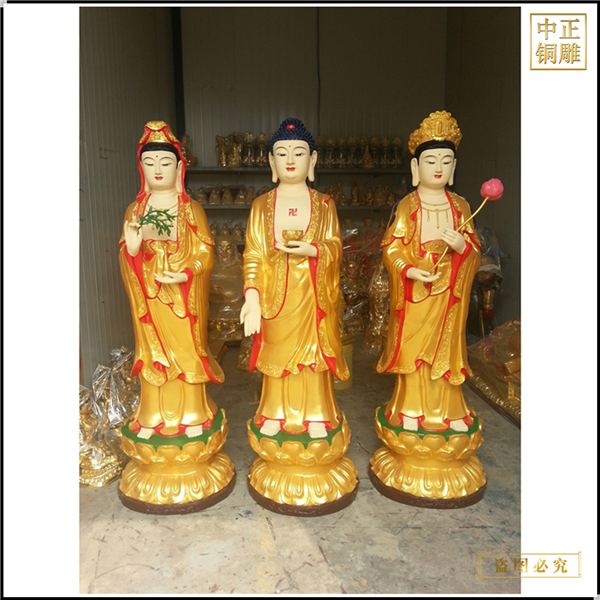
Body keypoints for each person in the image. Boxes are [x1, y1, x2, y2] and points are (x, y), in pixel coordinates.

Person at [240, 117, 349, 439]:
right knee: (277, 356)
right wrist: (252, 298)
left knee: (312, 357)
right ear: (271, 161)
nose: (290, 160)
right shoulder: (261, 206)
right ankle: (275, 411)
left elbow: (336, 247)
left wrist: (314, 250)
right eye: (282, 153)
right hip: (275, 296)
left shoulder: (325, 205)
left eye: (299, 153)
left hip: (313, 298)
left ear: (312, 160)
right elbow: (253, 254)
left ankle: (316, 413)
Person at [376, 111, 481, 432]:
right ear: (415, 167)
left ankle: (449, 411)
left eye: (446, 161)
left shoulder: (461, 207)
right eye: (431, 160)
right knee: (413, 352)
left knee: (445, 354)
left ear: (454, 168)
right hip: (416, 295)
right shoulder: (407, 206)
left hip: (449, 294)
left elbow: (474, 250)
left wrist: (463, 248)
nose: (438, 167)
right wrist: (409, 270)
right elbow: (391, 248)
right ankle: (410, 408)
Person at [119, 121, 224, 440]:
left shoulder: (191, 210)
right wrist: (132, 250)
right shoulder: (135, 211)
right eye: (149, 163)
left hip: (182, 298)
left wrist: (186, 272)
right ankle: (152, 415)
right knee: (154, 355)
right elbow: (126, 254)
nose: (157, 169)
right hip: (150, 297)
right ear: (141, 168)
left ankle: (193, 414)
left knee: (187, 353)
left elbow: (205, 251)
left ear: (179, 168)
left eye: (165, 162)